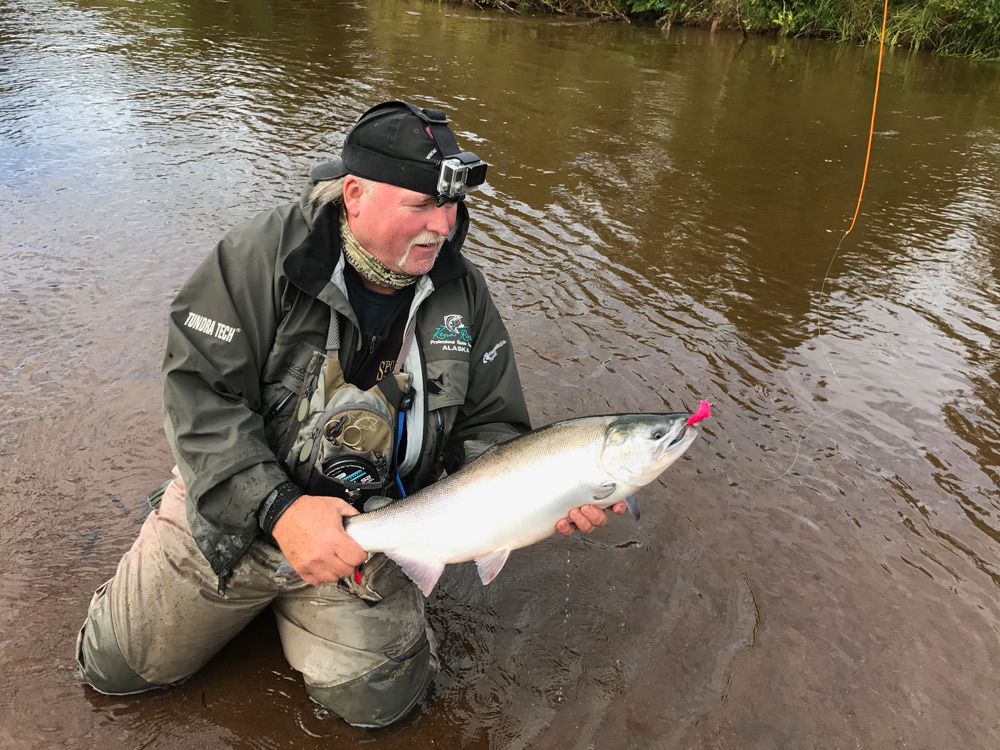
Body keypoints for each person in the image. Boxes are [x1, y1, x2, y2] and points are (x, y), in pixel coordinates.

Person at [76, 100, 626, 728]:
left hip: (371, 535)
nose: (444, 226)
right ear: (355, 193)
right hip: (238, 516)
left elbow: (492, 428)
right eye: (421, 206)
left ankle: (293, 616)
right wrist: (280, 510)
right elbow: (198, 395)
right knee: (113, 674)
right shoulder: (259, 258)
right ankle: (217, 576)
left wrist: (542, 495)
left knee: (379, 706)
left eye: (450, 207)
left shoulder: (463, 295)